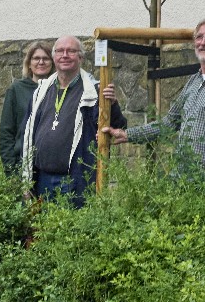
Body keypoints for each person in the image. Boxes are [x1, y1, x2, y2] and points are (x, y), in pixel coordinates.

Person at [104, 18, 205, 169]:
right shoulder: (194, 81)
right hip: (184, 180)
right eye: (199, 37)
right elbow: (169, 123)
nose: (203, 42)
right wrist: (127, 134)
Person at [21, 35, 126, 207]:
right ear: (54, 57)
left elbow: (117, 128)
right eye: (60, 51)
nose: (65, 55)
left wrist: (112, 104)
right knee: (42, 231)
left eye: (71, 51)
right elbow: (26, 133)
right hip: (42, 179)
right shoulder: (41, 92)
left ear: (81, 57)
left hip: (75, 180)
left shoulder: (94, 91)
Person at [0, 40, 53, 173]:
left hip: (49, 164)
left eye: (46, 58)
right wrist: (10, 169)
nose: (41, 62)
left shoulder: (57, 89)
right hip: (22, 163)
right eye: (36, 58)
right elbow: (6, 132)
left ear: (52, 63)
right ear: (29, 63)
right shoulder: (16, 90)